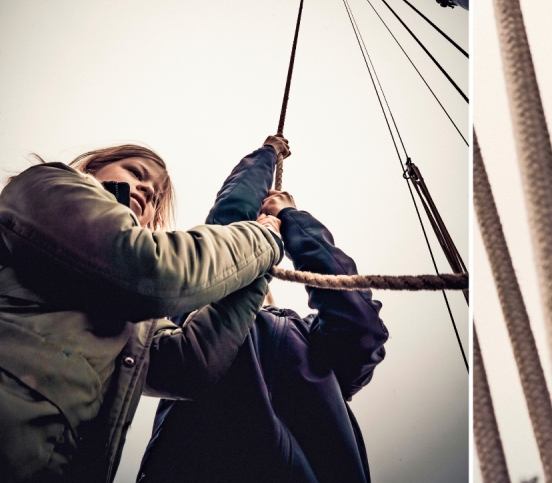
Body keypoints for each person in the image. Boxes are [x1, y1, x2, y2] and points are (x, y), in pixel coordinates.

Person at [0, 144, 283, 482]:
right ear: (92, 168)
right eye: (135, 173)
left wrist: (257, 269)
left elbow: (191, 363)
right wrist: (260, 240)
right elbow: (150, 268)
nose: (148, 190)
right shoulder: (47, 188)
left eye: (155, 197)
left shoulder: (133, 318)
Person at [137, 137, 388, 483]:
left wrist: (291, 218)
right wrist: (266, 155)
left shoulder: (311, 339)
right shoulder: (195, 314)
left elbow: (360, 322)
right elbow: (225, 230)